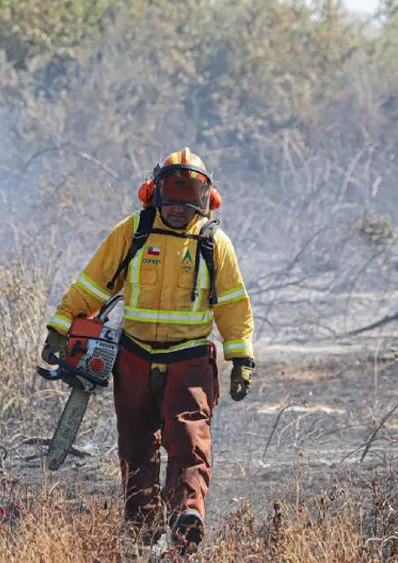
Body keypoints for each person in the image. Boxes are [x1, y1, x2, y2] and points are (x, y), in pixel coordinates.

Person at [41, 147, 255, 554]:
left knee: (188, 436)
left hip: (190, 358)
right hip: (134, 355)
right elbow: (94, 284)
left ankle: (187, 516)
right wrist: (61, 326)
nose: (179, 206)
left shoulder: (213, 242)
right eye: (171, 195)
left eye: (188, 195)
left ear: (206, 198)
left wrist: (241, 358)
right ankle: (141, 532)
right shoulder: (134, 231)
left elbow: (233, 304)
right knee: (136, 444)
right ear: (154, 192)